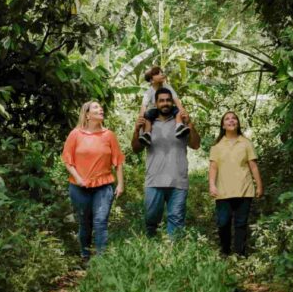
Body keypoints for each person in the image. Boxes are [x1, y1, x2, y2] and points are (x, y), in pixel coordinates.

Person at [131, 87, 200, 237]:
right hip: (154, 180)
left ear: (172, 102)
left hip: (178, 181)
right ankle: (151, 251)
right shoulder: (148, 123)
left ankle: (172, 254)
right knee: (151, 220)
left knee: (176, 220)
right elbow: (136, 149)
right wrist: (136, 131)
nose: (165, 103)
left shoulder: (180, 121)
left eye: (168, 100)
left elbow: (195, 145)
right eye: (161, 100)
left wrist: (191, 125)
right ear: (156, 103)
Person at [62, 101, 125, 262]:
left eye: (101, 107)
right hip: (79, 187)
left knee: (100, 221)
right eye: (96, 107)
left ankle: (101, 259)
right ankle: (85, 256)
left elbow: (118, 161)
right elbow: (68, 161)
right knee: (85, 222)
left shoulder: (109, 135)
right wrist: (78, 178)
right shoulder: (75, 134)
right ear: (87, 114)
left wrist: (120, 184)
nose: (101, 109)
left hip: (103, 186)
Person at [208, 111, 263, 256]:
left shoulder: (246, 143)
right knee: (223, 223)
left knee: (241, 224)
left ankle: (240, 254)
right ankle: (225, 252)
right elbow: (213, 167)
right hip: (223, 191)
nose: (231, 121)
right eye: (227, 119)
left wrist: (259, 186)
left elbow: (253, 166)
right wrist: (212, 185)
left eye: (234, 118)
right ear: (223, 124)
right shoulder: (217, 145)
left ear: (238, 123)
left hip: (244, 190)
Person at [138, 65, 188, 146]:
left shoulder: (168, 87)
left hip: (168, 108)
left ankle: (179, 126)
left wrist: (183, 112)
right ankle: (147, 133)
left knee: (177, 111)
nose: (161, 74)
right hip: (155, 111)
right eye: (157, 74)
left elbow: (176, 100)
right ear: (151, 80)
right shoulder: (149, 92)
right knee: (147, 115)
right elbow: (143, 107)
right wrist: (140, 120)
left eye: (161, 72)